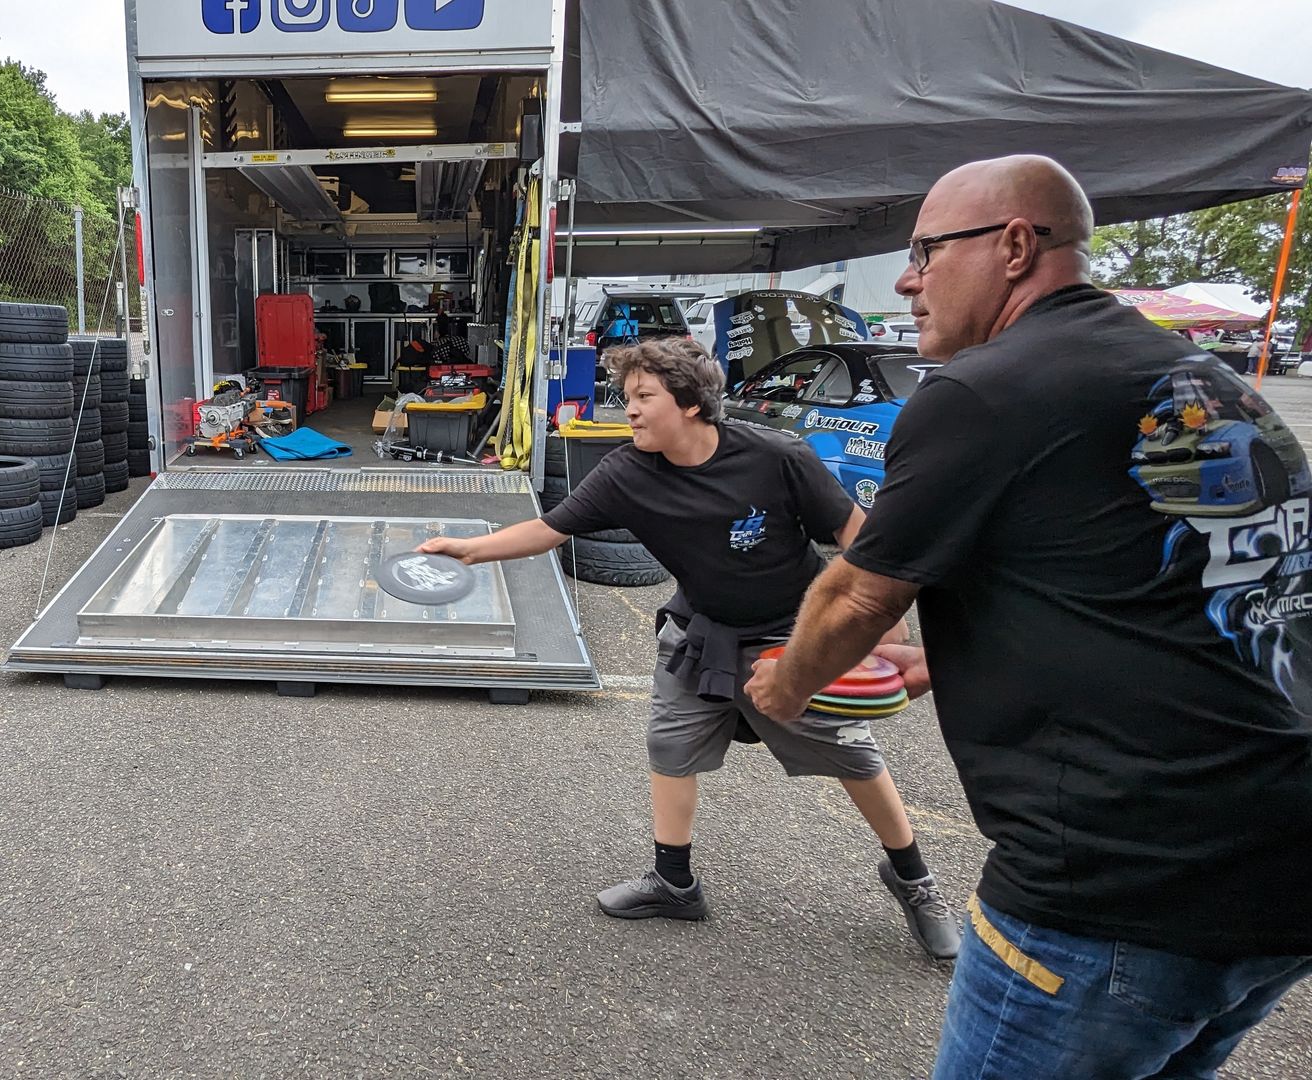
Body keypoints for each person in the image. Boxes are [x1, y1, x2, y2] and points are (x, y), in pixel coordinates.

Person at [746, 154, 1312, 1077]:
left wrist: (785, 684)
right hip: (1279, 867)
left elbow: (858, 592)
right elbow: (1181, 582)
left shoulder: (985, 388)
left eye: (927, 249)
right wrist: (979, 655)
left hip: (1121, 880)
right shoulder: (1195, 378)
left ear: (1014, 246)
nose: (906, 277)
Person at [419, 336, 961, 960]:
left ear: (693, 403)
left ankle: (915, 881)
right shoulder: (627, 472)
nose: (631, 410)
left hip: (793, 633)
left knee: (850, 754)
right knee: (670, 745)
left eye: (644, 396)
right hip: (701, 629)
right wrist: (466, 549)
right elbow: (547, 530)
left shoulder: (776, 456)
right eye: (627, 397)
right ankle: (674, 883)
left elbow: (859, 540)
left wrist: (878, 627)